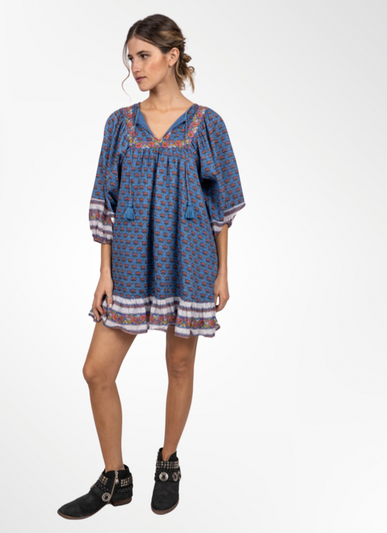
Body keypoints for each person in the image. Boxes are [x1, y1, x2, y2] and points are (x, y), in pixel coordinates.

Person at [57, 13, 246, 519]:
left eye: (144, 56)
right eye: (130, 58)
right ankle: (114, 477)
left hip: (190, 259)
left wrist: (223, 273)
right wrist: (104, 272)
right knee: (96, 371)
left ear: (172, 56)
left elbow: (222, 204)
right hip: (130, 260)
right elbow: (106, 200)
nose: (135, 67)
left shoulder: (207, 123)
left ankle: (168, 462)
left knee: (179, 365)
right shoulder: (119, 123)